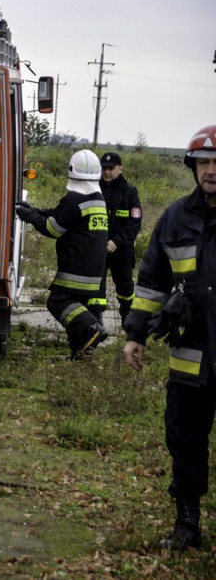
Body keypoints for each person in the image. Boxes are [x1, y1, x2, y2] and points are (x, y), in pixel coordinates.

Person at [123, 125, 216, 551]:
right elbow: (152, 280)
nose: (211, 170)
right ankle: (187, 525)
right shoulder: (175, 218)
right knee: (184, 440)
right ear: (193, 167)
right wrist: (136, 334)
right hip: (189, 357)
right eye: (204, 163)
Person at [15, 150, 109, 359]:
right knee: (76, 307)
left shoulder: (74, 198)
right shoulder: (97, 198)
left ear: (72, 171)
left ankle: (92, 328)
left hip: (76, 267)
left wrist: (30, 217)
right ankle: (81, 351)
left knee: (58, 302)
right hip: (94, 269)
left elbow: (54, 228)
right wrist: (37, 211)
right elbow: (62, 216)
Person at [97, 151, 143, 327]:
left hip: (122, 249)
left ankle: (127, 312)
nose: (107, 172)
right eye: (104, 168)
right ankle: (96, 318)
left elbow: (135, 223)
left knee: (125, 287)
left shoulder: (129, 192)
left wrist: (116, 241)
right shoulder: (95, 189)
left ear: (120, 169)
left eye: (111, 168)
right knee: (96, 287)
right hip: (98, 248)